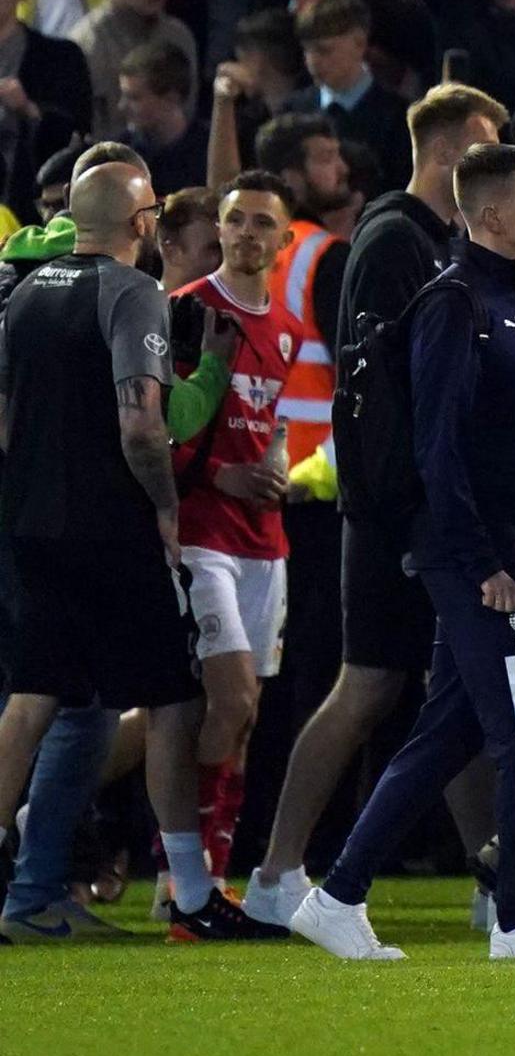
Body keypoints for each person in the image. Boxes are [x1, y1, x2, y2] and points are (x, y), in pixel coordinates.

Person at [284, 142, 515, 961]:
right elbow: (439, 449)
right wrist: (481, 563)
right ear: (491, 214)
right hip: (479, 561)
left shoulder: (509, 299)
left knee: (445, 733)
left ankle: (339, 897)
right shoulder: (454, 305)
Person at [244, 84, 507, 923]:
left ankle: (491, 882)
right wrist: (402, 500)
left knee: (446, 686)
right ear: (454, 151)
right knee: (368, 687)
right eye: (488, 148)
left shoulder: (428, 239)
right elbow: (376, 388)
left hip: (414, 502)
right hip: (393, 508)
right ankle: (277, 871)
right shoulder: (396, 242)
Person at [0, 161, 191, 942]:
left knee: (37, 698)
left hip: (28, 521)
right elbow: (141, 423)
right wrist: (168, 506)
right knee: (176, 698)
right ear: (142, 222)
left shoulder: (23, 294)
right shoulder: (132, 291)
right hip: (109, 526)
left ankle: (29, 889)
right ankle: (190, 886)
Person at [149, 173, 310, 937]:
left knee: (241, 722)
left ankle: (201, 881)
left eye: (261, 224)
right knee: (232, 700)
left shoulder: (286, 328)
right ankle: (187, 881)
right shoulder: (186, 312)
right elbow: (158, 433)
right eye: (235, 220)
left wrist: (275, 462)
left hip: (263, 541)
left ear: (284, 242)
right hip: (202, 534)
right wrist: (222, 474)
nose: (246, 234)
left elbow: (268, 419)